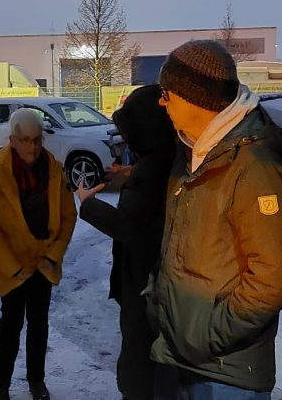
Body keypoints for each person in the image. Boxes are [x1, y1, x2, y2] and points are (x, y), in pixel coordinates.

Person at [150, 40, 282, 400]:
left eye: (166, 93)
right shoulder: (197, 153)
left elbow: (273, 280)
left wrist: (206, 335)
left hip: (226, 375)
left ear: (194, 97)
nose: (161, 102)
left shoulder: (253, 166)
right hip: (190, 360)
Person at [75, 85, 176, 400]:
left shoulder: (152, 170)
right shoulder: (168, 158)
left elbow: (129, 226)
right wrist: (130, 174)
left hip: (146, 283)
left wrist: (88, 203)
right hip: (157, 281)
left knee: (140, 357)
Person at [0, 108, 77, 400]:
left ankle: (36, 380)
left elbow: (68, 216)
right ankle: (1, 387)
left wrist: (53, 254)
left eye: (36, 140)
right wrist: (12, 267)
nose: (31, 147)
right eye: (24, 140)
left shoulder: (53, 169)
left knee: (39, 324)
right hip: (13, 266)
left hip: (44, 262)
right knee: (10, 325)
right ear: (12, 140)